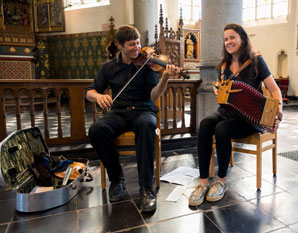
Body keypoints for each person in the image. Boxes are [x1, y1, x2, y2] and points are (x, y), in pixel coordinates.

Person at [86, 25, 180, 212]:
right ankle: (116, 178)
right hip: (118, 112)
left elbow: (153, 96)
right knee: (96, 130)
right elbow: (90, 91)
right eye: (131, 45)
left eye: (138, 43)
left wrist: (165, 78)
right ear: (120, 46)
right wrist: (98, 96)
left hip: (143, 111)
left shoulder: (147, 66)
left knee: (146, 125)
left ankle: (146, 188)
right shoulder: (109, 67)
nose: (137, 48)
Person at [188, 23, 283, 206]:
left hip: (249, 119)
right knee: (206, 124)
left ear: (242, 39)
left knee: (222, 129)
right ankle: (203, 183)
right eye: (225, 39)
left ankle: (221, 181)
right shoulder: (224, 65)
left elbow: (275, 90)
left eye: (232, 37)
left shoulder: (257, 61)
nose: (228, 42)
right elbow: (220, 86)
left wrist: (278, 110)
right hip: (226, 112)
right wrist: (218, 89)